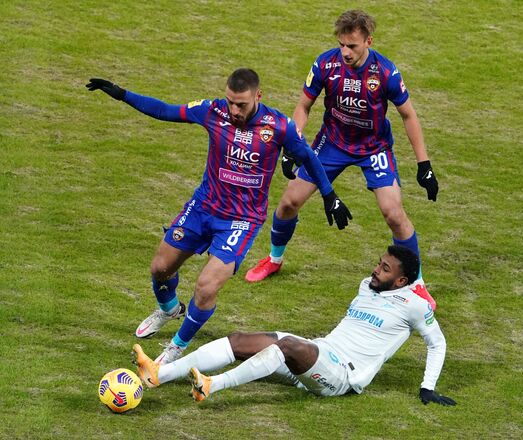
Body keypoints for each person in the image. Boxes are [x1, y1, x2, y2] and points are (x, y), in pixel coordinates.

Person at [86, 68, 351, 365]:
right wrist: (122, 94)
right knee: (160, 268)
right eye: (231, 102)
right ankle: (170, 309)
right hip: (203, 208)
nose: (234, 110)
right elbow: (164, 110)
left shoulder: (278, 126)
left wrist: (329, 195)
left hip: (242, 220)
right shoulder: (212, 111)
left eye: (242, 104)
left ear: (258, 97)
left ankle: (176, 347)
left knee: (206, 286)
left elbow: (309, 158)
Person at [244, 10, 440, 305]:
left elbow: (408, 115)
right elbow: (303, 106)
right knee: (288, 202)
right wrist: (292, 146)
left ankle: (417, 283)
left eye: (353, 46)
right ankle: (274, 259)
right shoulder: (325, 64)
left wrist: (424, 164)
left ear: (368, 41)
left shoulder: (385, 72)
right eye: (342, 45)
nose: (345, 52)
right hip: (332, 144)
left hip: (374, 148)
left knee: (394, 214)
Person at [133, 245, 456, 406]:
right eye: (378, 263)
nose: (375, 270)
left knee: (285, 346)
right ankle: (160, 374)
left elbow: (437, 343)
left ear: (400, 280)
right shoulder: (365, 285)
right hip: (320, 354)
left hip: (342, 375)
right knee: (239, 340)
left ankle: (211, 386)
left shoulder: (415, 305)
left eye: (384, 269)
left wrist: (427, 387)